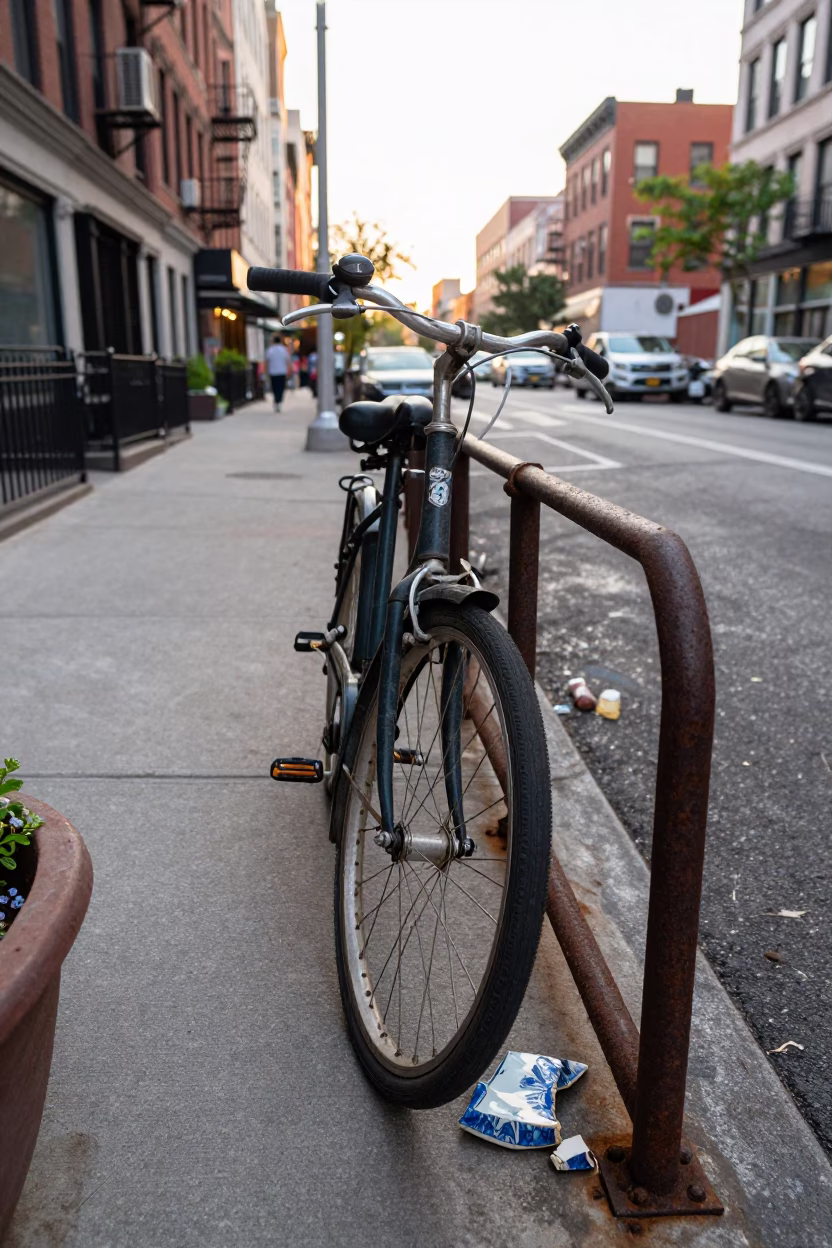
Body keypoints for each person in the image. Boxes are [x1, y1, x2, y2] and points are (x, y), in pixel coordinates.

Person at [265, 334, 290, 410]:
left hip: (273, 372)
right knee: (281, 387)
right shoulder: (284, 350)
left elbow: (267, 362)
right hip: (282, 371)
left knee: (274, 387)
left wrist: (266, 372)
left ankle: (276, 400)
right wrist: (289, 371)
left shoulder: (270, 350)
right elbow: (288, 361)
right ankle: (279, 401)